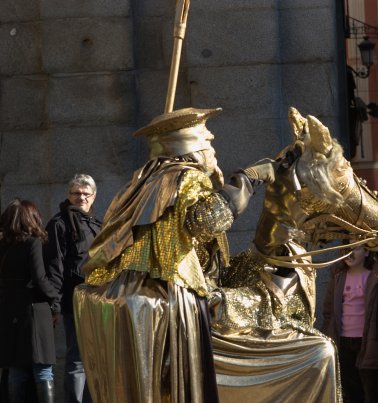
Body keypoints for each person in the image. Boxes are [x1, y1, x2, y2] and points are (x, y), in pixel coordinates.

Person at [72, 107, 275, 403]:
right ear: (193, 147)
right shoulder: (186, 178)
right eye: (209, 142)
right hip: (166, 287)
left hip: (123, 288)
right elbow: (206, 221)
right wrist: (246, 180)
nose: (213, 151)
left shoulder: (143, 182)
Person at [44, 174, 101, 403]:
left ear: (93, 197)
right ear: (68, 196)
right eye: (76, 193)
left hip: (98, 300)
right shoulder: (59, 224)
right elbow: (54, 267)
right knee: (77, 358)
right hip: (73, 301)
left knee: (95, 358)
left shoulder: (97, 224)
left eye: (86, 194)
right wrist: (55, 306)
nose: (81, 198)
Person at [0, 199, 60, 403]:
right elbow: (39, 279)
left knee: (16, 370)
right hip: (35, 311)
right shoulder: (32, 242)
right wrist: (55, 297)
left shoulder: (3, 246)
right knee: (43, 371)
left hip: (9, 313)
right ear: (31, 218)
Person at [322, 246, 378, 403]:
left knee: (372, 393)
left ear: (367, 252)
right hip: (342, 343)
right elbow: (328, 313)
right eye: (345, 248)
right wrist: (329, 338)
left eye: (355, 249)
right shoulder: (338, 276)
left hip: (368, 344)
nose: (349, 253)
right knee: (350, 392)